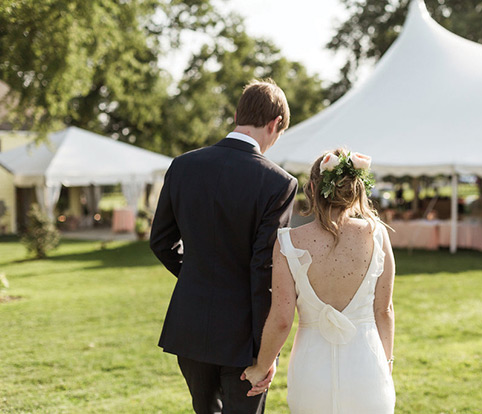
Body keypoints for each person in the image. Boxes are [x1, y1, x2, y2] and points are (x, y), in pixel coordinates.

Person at [150, 79, 298, 414]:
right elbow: (264, 268)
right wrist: (267, 353)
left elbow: (160, 241)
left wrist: (196, 276)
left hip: (189, 325)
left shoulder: (182, 166)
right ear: (275, 124)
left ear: (236, 115)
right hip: (243, 333)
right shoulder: (279, 183)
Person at [243, 149, 396, 413]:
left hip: (311, 372)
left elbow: (281, 319)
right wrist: (386, 362)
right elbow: (384, 311)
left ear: (312, 188)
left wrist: (261, 367)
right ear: (355, 189)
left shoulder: (287, 242)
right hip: (367, 366)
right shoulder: (377, 235)